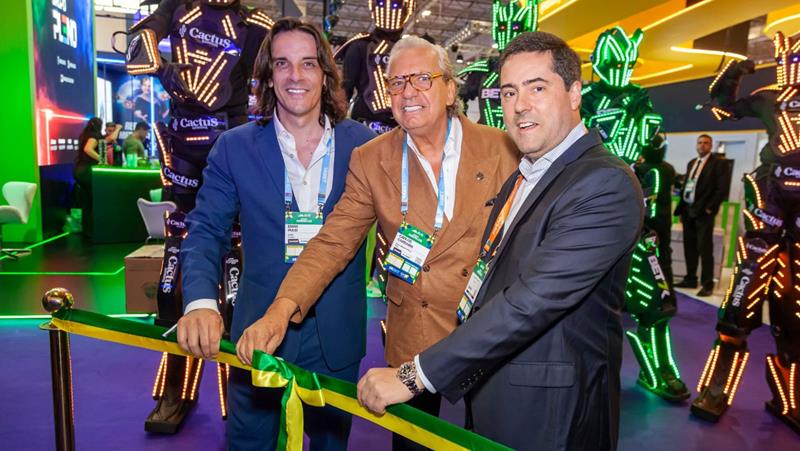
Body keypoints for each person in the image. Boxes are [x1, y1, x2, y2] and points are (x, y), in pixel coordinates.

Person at [357, 31, 644, 451]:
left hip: (553, 414)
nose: (520, 105)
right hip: (499, 392)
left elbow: (531, 301)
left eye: (537, 88)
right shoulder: (524, 174)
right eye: (509, 92)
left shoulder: (604, 183)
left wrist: (414, 375)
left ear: (574, 93)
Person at [246, 35, 519, 451]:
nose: (408, 92)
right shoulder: (372, 158)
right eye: (396, 83)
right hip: (415, 337)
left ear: (450, 89)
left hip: (490, 332)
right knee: (414, 445)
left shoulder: (503, 149)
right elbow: (333, 242)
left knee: (490, 440)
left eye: (422, 79)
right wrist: (280, 311)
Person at [175, 18, 375, 450]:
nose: (295, 76)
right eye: (282, 64)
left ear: (326, 73)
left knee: (330, 445)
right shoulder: (235, 146)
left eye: (308, 63)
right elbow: (206, 230)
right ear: (268, 76)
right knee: (249, 442)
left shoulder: (365, 145)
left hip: (335, 334)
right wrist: (201, 302)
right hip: (258, 332)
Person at [674, 134, 728, 297]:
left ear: (711, 146)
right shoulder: (692, 162)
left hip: (704, 212)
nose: (702, 145)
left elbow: (722, 189)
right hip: (687, 210)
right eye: (700, 143)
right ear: (696, 145)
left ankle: (707, 283)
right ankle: (690, 279)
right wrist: (682, 209)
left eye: (706, 143)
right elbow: (687, 186)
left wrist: (710, 208)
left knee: (705, 249)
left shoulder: (718, 163)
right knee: (689, 247)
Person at [73, 117, 104, 238]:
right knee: (91, 200)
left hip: (79, 170)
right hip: (87, 171)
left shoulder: (84, 135)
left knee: (86, 200)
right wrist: (101, 159)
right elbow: (88, 149)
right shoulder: (94, 136)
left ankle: (87, 230)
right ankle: (92, 230)